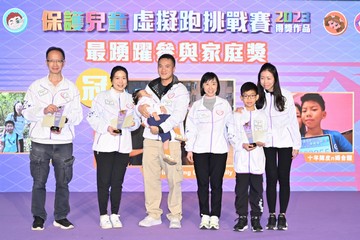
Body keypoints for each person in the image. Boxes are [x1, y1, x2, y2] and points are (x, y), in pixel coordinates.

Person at [22, 46, 83, 231]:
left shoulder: (71, 88)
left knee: (63, 182)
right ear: (46, 62)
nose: (55, 64)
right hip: (40, 142)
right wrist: (43, 110)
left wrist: (63, 120)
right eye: (51, 60)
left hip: (63, 142)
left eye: (59, 60)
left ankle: (61, 216)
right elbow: (25, 111)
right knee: (39, 182)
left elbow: (78, 116)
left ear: (64, 63)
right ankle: (39, 217)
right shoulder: (36, 86)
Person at [136, 53, 189, 229]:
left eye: (167, 66)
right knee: (150, 179)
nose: (163, 69)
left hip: (171, 140)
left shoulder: (180, 89)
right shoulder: (150, 87)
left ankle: (175, 215)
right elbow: (142, 107)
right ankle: (153, 214)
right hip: (150, 140)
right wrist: (140, 109)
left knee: (174, 179)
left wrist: (161, 128)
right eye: (160, 66)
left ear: (173, 68)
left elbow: (179, 115)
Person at [87, 65, 141, 229]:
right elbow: (92, 117)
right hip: (104, 146)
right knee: (104, 182)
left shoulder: (130, 100)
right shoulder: (101, 97)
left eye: (124, 78)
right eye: (117, 77)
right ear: (111, 80)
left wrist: (132, 124)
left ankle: (115, 214)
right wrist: (107, 128)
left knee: (117, 182)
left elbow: (136, 121)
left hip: (123, 147)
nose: (121, 81)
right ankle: (104, 215)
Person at [256, 63, 301, 231]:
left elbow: (292, 122)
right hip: (266, 144)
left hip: (285, 142)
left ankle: (282, 215)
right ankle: (271, 215)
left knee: (283, 178)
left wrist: (296, 144)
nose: (265, 82)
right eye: (262, 78)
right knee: (270, 178)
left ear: (275, 78)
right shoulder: (258, 97)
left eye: (268, 78)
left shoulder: (286, 96)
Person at [185, 72, 233, 230]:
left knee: (217, 184)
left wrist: (234, 143)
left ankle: (215, 216)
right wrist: (189, 148)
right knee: (203, 184)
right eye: (207, 84)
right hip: (200, 150)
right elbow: (190, 129)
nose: (210, 87)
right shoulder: (196, 107)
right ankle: (204, 215)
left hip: (219, 151)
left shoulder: (224, 105)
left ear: (217, 85)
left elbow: (230, 126)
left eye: (213, 84)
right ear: (202, 86)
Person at [229, 82, 268, 232]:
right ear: (241, 97)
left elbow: (268, 134)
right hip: (242, 160)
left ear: (257, 97)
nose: (249, 99)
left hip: (257, 160)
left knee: (257, 191)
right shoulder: (237, 115)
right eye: (246, 96)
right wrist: (242, 144)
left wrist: (262, 141)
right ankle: (242, 218)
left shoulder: (262, 115)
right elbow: (231, 134)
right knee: (241, 191)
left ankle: (256, 218)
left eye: (252, 96)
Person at [133, 89, 186, 165]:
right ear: (140, 97)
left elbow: (157, 104)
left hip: (158, 120)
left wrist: (161, 107)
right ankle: (178, 135)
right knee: (171, 119)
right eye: (145, 92)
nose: (147, 93)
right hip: (153, 118)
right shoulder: (144, 100)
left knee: (166, 137)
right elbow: (147, 107)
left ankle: (167, 155)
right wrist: (154, 114)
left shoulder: (151, 99)